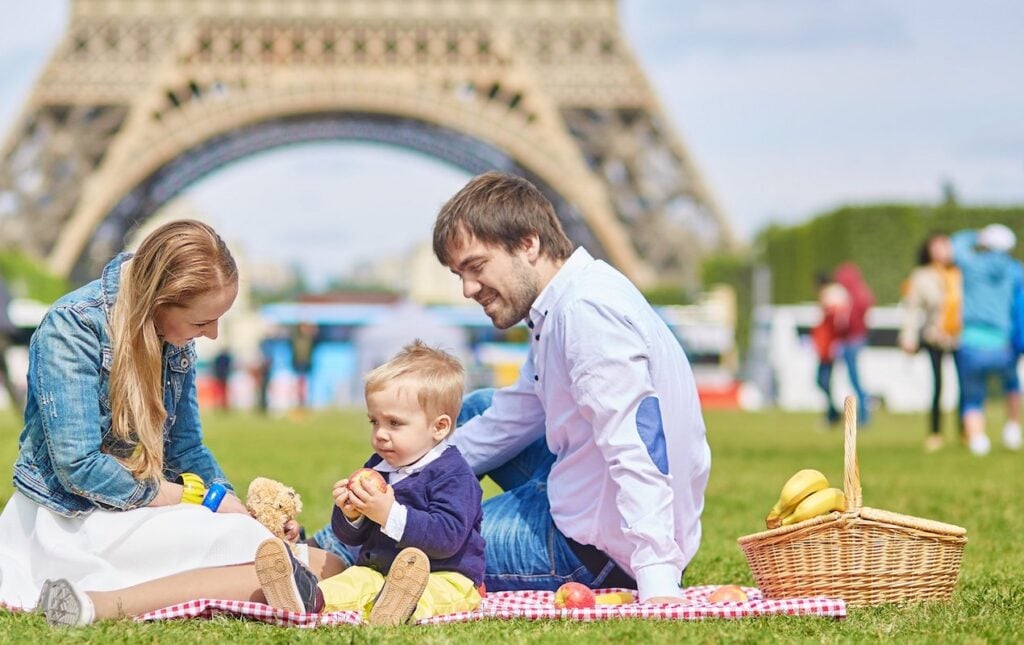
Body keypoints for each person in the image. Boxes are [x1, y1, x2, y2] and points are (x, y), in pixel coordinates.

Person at [0, 220, 345, 626]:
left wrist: (232, 505)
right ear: (157, 302)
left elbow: (186, 450)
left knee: (323, 560)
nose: (213, 335)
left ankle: (277, 577)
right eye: (202, 323)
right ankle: (98, 603)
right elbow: (80, 469)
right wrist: (198, 501)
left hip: (135, 511)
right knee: (269, 554)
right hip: (72, 522)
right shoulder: (72, 327)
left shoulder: (172, 337)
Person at [430, 171, 710, 604]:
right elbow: (518, 413)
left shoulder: (585, 313)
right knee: (476, 410)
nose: (467, 289)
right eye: (458, 273)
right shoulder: (563, 300)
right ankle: (388, 515)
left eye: (476, 266)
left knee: (423, 544)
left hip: (605, 553)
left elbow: (637, 444)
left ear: (529, 243)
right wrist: (398, 480)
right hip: (595, 497)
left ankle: (318, 555)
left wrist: (656, 579)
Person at [254, 341, 484, 626]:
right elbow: (352, 539)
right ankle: (306, 596)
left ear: (439, 427)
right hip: (379, 570)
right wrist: (351, 515)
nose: (381, 435)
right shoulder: (378, 465)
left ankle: (403, 608)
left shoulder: (453, 474)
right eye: (374, 422)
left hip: (447, 573)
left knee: (436, 594)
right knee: (354, 579)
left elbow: (447, 538)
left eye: (394, 423)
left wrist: (389, 514)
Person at [951, 224, 1023, 455]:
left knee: (972, 395)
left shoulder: (972, 265)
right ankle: (1012, 428)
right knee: (1011, 385)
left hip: (971, 341)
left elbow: (955, 244)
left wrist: (976, 235)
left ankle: (978, 440)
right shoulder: (1015, 270)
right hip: (1002, 343)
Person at [899, 233, 962, 451]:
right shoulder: (922, 276)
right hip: (935, 336)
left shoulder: (960, 272)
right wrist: (908, 337)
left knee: (966, 387)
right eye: (937, 246)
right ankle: (935, 433)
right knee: (938, 386)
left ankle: (966, 432)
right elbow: (912, 309)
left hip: (960, 337)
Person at [832, 262, 874, 424]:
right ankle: (862, 413)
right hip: (854, 339)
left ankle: (864, 414)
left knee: (854, 379)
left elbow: (850, 321)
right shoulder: (858, 294)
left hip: (853, 339)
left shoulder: (855, 296)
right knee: (853, 378)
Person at [812, 271, 851, 426]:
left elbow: (837, 325)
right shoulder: (831, 300)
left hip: (830, 349)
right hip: (825, 349)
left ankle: (833, 414)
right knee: (823, 381)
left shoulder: (832, 301)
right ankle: (832, 412)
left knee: (824, 381)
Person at [0, 273, 24, 412]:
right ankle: (19, 406)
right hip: (4, 332)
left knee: (5, 372)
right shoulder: (3, 283)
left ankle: (19, 405)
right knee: (6, 373)